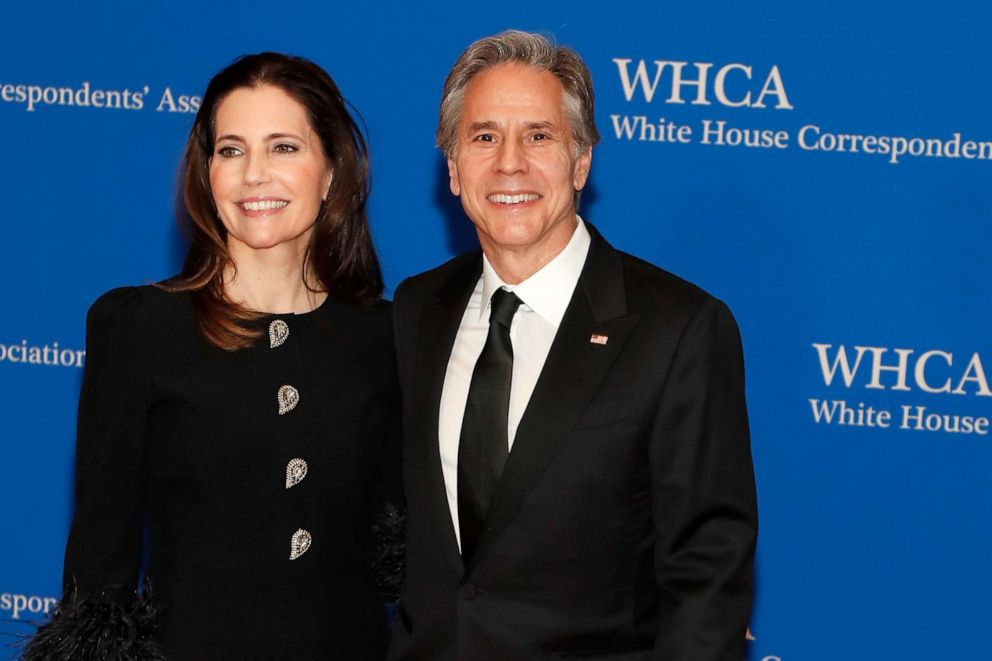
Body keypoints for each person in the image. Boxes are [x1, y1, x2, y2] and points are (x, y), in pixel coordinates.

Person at [389, 31, 757, 660]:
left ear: (582, 160)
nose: (510, 163)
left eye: (538, 135)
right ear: (452, 169)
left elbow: (708, 578)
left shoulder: (679, 329)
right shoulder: (417, 308)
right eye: (483, 137)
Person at [23, 52, 401, 660]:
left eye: (283, 147)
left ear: (331, 173)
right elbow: (99, 563)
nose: (254, 174)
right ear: (206, 174)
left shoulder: (384, 336)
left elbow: (401, 550)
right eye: (231, 150)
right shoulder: (138, 329)